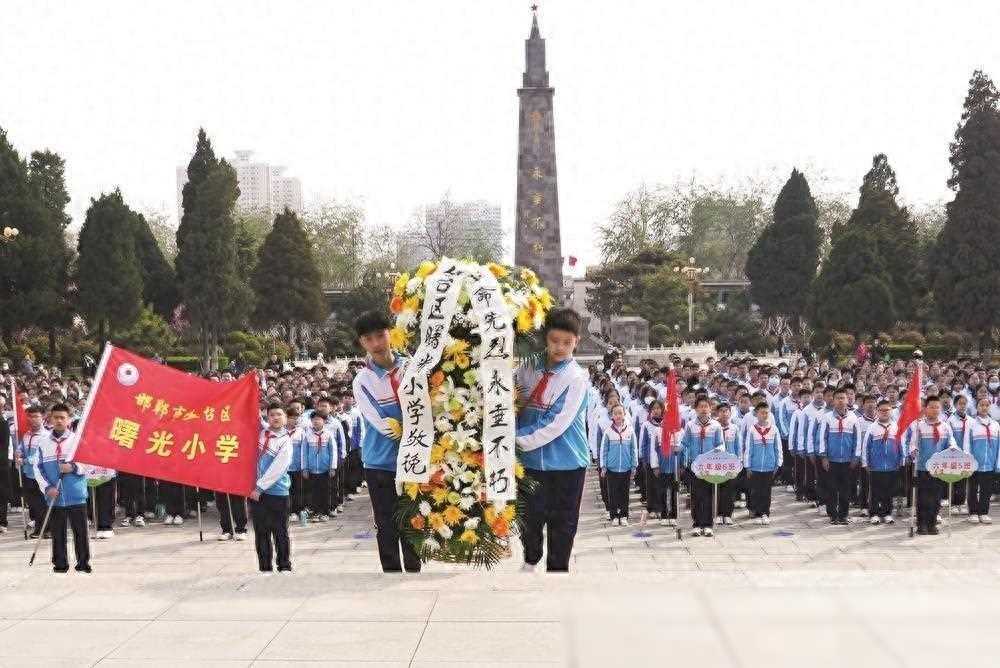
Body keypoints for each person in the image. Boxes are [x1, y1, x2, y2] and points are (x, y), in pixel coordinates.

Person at [515, 308, 590, 572]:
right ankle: (530, 559)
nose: (559, 348)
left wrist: (512, 441)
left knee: (563, 524)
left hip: (567, 464)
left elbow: (556, 424)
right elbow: (511, 399)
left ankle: (558, 571)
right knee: (529, 517)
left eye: (567, 343)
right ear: (545, 338)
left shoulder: (577, 378)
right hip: (531, 463)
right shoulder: (528, 366)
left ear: (576, 342)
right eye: (554, 341)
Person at [352, 310, 421, 573]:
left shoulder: (412, 367)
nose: (377, 343)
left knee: (414, 518)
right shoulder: (363, 381)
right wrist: (412, 430)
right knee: (386, 521)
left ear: (390, 334)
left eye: (381, 335)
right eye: (369, 339)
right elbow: (378, 421)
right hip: (380, 461)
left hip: (413, 458)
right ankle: (391, 572)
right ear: (362, 343)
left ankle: (414, 570)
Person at [31, 403, 90, 573]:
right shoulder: (42, 442)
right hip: (54, 495)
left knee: (80, 532)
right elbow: (37, 468)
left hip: (75, 494)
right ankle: (60, 563)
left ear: (68, 420)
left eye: (62, 417)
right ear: (49, 419)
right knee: (58, 533)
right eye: (55, 417)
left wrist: (73, 467)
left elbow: (87, 463)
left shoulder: (77, 440)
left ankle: (83, 562)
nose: (58, 420)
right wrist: (47, 487)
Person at [250, 402, 293, 573]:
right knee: (261, 531)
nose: (275, 417)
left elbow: (278, 468)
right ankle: (265, 567)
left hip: (277, 492)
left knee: (280, 531)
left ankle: (284, 565)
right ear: (268, 417)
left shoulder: (285, 441)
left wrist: (259, 488)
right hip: (256, 493)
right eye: (272, 414)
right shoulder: (261, 434)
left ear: (285, 418)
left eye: (279, 414)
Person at [908, 396, 957, 536]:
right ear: (925, 409)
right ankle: (921, 524)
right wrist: (913, 451)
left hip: (940, 468)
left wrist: (953, 447)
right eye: (932, 407)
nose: (935, 410)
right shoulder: (919, 425)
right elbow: (912, 443)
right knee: (923, 497)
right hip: (923, 467)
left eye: (937, 407)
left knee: (936, 497)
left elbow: (951, 442)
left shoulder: (945, 426)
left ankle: (932, 523)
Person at [679, 396, 723, 537]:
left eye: (706, 406)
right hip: (695, 465)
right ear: (696, 409)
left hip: (710, 465)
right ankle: (697, 523)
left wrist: (719, 451)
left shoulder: (716, 426)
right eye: (701, 406)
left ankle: (708, 524)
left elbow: (721, 443)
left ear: (710, 409)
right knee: (696, 495)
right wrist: (676, 448)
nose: (703, 409)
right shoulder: (690, 425)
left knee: (709, 495)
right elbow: (684, 442)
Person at [818, 388, 863, 525]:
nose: (840, 401)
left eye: (843, 398)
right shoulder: (827, 418)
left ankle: (843, 515)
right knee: (831, 488)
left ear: (847, 400)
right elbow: (822, 438)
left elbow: (857, 439)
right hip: (831, 459)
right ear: (834, 400)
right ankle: (832, 515)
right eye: (837, 398)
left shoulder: (853, 418)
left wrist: (856, 457)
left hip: (848, 461)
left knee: (845, 489)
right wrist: (824, 456)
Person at [859, 400, 903, 524]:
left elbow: (900, 445)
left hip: (891, 465)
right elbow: (865, 446)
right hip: (875, 465)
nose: (884, 412)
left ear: (891, 411)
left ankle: (887, 512)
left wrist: (901, 459)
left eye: (887, 410)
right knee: (875, 490)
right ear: (877, 411)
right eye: (881, 410)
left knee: (888, 490)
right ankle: (874, 513)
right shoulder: (872, 428)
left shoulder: (896, 427)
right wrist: (865, 463)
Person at [743, 402, 782, 525]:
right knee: (755, 490)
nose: (764, 415)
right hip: (755, 466)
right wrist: (747, 465)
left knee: (766, 491)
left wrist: (778, 463)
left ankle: (765, 512)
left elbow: (778, 447)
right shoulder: (752, 429)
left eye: (766, 412)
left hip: (769, 466)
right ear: (756, 414)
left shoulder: (774, 429)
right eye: (762, 413)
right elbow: (748, 448)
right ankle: (755, 511)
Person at [598, 404, 637, 526]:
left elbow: (633, 449)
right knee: (612, 493)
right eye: (615, 413)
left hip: (626, 468)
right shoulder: (608, 432)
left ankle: (624, 515)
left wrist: (634, 465)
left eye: (620, 413)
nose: (618, 415)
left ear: (624, 414)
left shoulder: (630, 430)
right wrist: (603, 466)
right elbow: (603, 450)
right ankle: (614, 515)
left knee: (624, 493)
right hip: (612, 468)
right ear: (612, 416)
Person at [963, 396, 1000, 523]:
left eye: (986, 405)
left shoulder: (995, 425)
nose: (984, 408)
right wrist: (968, 460)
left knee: (986, 489)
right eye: (981, 405)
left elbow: (999, 446)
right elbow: (967, 444)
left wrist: (997, 462)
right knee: (973, 488)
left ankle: (983, 512)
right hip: (974, 463)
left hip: (990, 463)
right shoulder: (971, 424)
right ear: (977, 407)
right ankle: (973, 512)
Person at [16, 405, 48, 537]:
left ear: (43, 417)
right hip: (28, 474)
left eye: (36, 416)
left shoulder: (46, 435)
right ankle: (39, 528)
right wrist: (18, 452)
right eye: (30, 416)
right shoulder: (27, 435)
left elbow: (39, 456)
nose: (33, 419)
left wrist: (24, 460)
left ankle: (46, 530)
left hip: (41, 475)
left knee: (43, 503)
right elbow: (21, 448)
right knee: (34, 504)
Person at [303, 411, 336, 522]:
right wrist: (305, 468)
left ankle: (325, 512)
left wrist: (332, 467)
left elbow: (333, 451)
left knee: (325, 491)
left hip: (325, 469)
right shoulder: (307, 435)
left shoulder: (328, 434)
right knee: (313, 492)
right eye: (314, 419)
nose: (316, 421)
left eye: (319, 419)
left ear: (324, 421)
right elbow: (304, 452)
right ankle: (316, 512)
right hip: (312, 470)